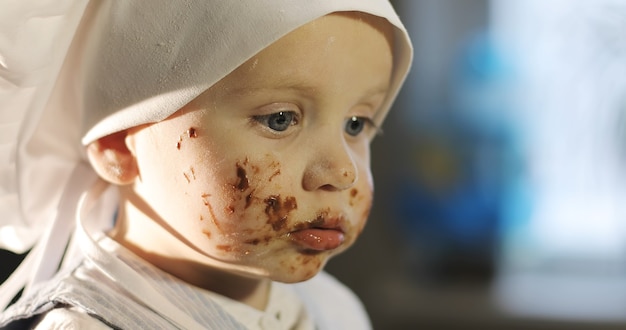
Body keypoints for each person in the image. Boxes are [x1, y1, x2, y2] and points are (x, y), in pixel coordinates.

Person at [0, 1, 412, 328]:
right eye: (280, 119)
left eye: (356, 124)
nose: (343, 172)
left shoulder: (334, 309)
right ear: (119, 145)